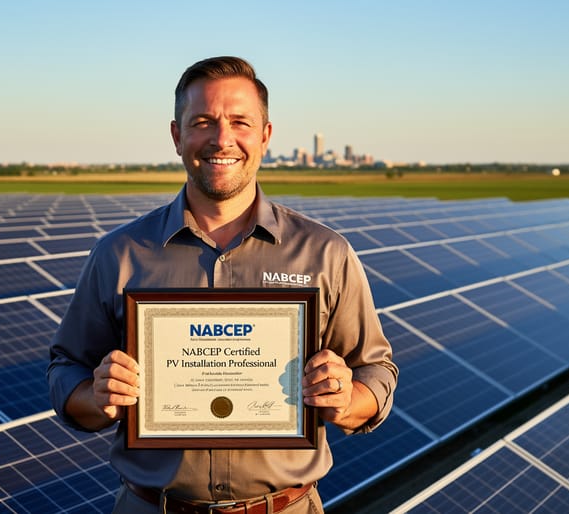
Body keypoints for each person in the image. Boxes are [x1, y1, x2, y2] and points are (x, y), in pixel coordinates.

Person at [48, 56, 398, 514]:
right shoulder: (120, 254)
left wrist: (347, 398)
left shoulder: (325, 253)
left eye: (240, 122)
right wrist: (96, 397)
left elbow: (377, 370)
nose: (222, 139)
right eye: (202, 122)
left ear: (265, 137)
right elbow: (65, 368)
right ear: (177, 136)